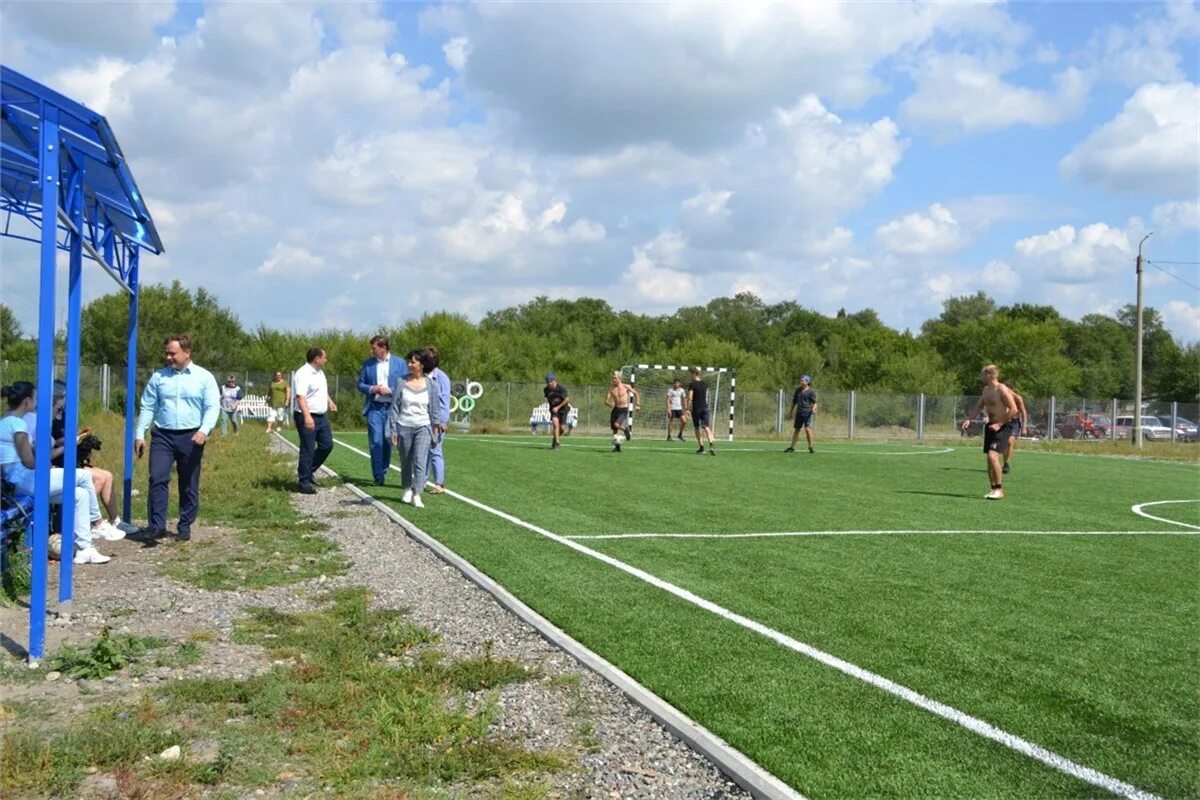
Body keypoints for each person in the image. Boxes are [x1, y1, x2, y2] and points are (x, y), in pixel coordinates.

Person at [1, 382, 120, 563]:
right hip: (24, 480)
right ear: (27, 401)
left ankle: (84, 548)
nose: (37, 401)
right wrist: (46, 464)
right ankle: (97, 523)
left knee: (79, 495)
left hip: (21, 480)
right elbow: (29, 461)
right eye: (34, 397)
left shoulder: (6, 420)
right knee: (83, 476)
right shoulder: (17, 423)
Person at [133, 334, 220, 542]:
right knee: (157, 477)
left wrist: (204, 430)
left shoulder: (204, 377)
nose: (169, 357)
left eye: (173, 353)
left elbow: (212, 406)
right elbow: (147, 406)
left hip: (191, 436)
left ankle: (185, 525)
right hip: (163, 434)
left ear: (186, 353)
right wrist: (140, 434)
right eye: (167, 353)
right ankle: (157, 526)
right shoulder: (159, 378)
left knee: (188, 481)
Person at [46, 389, 138, 535]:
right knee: (99, 478)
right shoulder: (47, 421)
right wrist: (69, 443)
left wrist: (79, 438)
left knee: (107, 475)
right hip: (60, 462)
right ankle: (89, 522)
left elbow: (59, 440)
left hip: (68, 460)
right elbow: (51, 446)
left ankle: (115, 521)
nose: (65, 403)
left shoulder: (63, 418)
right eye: (61, 402)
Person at [961, 364, 1018, 500]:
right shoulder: (986, 390)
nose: (981, 377)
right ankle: (993, 489)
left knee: (993, 456)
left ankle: (999, 489)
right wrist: (969, 419)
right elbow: (979, 406)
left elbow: (1014, 409)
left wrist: (999, 424)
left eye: (983, 375)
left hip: (1003, 427)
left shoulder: (1002, 389)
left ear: (989, 375)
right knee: (989, 460)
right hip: (990, 427)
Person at [387, 349, 436, 508]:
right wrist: (392, 430)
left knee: (420, 461)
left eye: (412, 362)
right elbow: (394, 407)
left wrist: (436, 429)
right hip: (404, 426)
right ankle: (407, 488)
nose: (409, 364)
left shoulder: (431, 384)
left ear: (421, 365)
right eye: (408, 361)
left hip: (424, 426)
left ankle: (417, 494)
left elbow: (434, 409)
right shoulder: (401, 381)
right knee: (406, 460)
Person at [357, 335, 407, 486]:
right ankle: (378, 476)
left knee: (387, 442)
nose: (371, 351)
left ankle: (384, 470)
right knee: (375, 442)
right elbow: (360, 384)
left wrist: (391, 391)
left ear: (383, 348)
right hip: (375, 408)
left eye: (374, 348)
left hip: (393, 409)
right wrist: (373, 388)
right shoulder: (368, 364)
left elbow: (405, 382)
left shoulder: (400, 363)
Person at [294, 346, 338, 494]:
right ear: (317, 358)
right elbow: (301, 396)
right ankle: (303, 483)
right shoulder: (303, 373)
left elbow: (321, 390)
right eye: (324, 357)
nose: (326, 359)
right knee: (307, 448)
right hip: (307, 415)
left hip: (321, 416)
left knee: (327, 445)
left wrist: (330, 401)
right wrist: (307, 416)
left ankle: (309, 470)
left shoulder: (319, 372)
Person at [424, 346, 450, 494]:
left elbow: (444, 401)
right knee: (423, 451)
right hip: (423, 419)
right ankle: (422, 480)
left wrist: (442, 421)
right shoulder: (421, 376)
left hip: (436, 421)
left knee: (435, 451)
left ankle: (439, 483)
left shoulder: (442, 377)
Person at [604, 371, 640, 452]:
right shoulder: (611, 389)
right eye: (613, 378)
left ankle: (625, 429)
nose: (613, 380)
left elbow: (636, 394)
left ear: (620, 379)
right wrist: (610, 404)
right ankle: (617, 447)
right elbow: (606, 401)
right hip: (615, 410)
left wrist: (638, 404)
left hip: (623, 409)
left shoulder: (626, 386)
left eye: (615, 378)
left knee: (616, 424)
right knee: (614, 430)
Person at [784, 375, 818, 454]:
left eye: (803, 380)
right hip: (799, 413)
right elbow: (794, 402)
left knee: (807, 429)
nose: (801, 382)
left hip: (808, 413)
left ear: (807, 382)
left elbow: (815, 403)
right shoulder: (798, 390)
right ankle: (792, 447)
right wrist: (791, 412)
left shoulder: (811, 391)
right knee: (797, 430)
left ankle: (810, 447)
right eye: (801, 380)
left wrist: (813, 409)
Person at [687, 367, 716, 455]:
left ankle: (701, 447)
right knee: (706, 427)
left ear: (694, 374)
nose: (690, 376)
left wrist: (687, 408)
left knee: (697, 427)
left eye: (691, 374)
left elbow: (690, 397)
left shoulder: (692, 384)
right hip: (705, 408)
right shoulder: (705, 384)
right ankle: (711, 445)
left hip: (696, 408)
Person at [1001, 379, 1027, 474]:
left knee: (1009, 442)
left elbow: (1024, 412)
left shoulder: (1017, 398)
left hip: (1014, 422)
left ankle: (1007, 463)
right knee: (1004, 444)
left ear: (1010, 388)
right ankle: (1004, 464)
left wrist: (1024, 427)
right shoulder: (1002, 397)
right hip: (1004, 422)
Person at [544, 373, 570, 450]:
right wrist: (552, 408)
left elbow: (567, 399)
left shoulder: (561, 388)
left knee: (562, 428)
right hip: (554, 410)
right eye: (547, 382)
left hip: (563, 409)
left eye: (550, 382)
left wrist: (558, 407)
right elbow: (549, 399)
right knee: (555, 424)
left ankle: (555, 438)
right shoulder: (546, 390)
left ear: (554, 381)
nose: (549, 383)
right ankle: (557, 444)